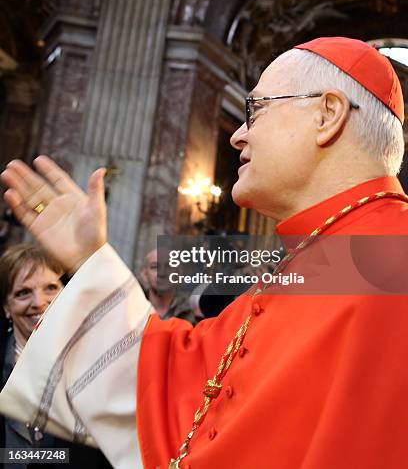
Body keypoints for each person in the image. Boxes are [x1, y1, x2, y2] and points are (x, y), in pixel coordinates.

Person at [0, 36, 407, 469]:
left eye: (256, 109)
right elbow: (188, 382)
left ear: (327, 114)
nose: (237, 135)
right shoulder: (328, 257)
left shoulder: (388, 257)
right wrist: (89, 260)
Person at [0, 243, 113, 469]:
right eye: (23, 293)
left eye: (50, 288)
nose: (39, 302)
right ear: (6, 308)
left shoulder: (101, 365)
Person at [140, 249, 195, 324]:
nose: (162, 273)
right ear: (144, 274)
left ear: (179, 272)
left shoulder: (194, 310)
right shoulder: (130, 309)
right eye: (155, 267)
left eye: (169, 266)